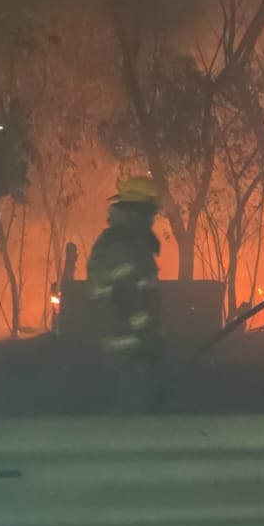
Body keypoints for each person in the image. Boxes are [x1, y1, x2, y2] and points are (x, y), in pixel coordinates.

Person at [88, 176, 165, 413]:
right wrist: (147, 333)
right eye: (149, 213)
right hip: (127, 352)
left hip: (132, 349)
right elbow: (126, 293)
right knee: (131, 417)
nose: (152, 219)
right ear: (136, 211)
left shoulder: (129, 243)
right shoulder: (119, 246)